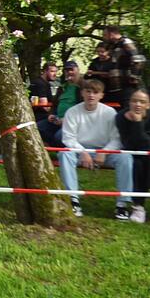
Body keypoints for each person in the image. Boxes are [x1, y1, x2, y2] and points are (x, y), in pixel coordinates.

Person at [58, 79, 132, 219]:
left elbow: (116, 139)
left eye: (95, 92)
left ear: (101, 95)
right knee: (64, 154)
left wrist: (104, 152)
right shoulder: (72, 112)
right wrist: (83, 152)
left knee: (126, 157)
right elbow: (68, 138)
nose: (91, 95)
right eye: (88, 91)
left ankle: (122, 205)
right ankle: (73, 200)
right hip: (80, 151)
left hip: (105, 152)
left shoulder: (110, 113)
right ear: (82, 93)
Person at [116, 89, 150, 223]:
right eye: (134, 101)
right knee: (139, 161)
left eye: (142, 102)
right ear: (130, 103)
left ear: (148, 105)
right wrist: (137, 123)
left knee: (149, 154)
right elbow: (128, 143)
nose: (138, 104)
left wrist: (138, 123)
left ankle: (140, 205)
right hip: (131, 153)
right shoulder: (121, 116)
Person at [37, 61, 82, 147]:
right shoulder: (62, 87)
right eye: (66, 70)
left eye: (71, 69)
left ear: (78, 70)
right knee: (38, 127)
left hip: (73, 121)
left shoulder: (83, 86)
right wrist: (51, 114)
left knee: (59, 136)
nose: (69, 72)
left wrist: (66, 120)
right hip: (57, 119)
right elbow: (55, 104)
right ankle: (54, 148)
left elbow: (83, 107)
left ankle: (59, 152)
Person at [103, 25, 145, 106]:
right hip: (117, 87)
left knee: (127, 108)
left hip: (127, 86)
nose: (104, 37)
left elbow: (138, 59)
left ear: (111, 34)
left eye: (105, 35)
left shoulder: (126, 42)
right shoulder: (114, 45)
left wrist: (134, 77)